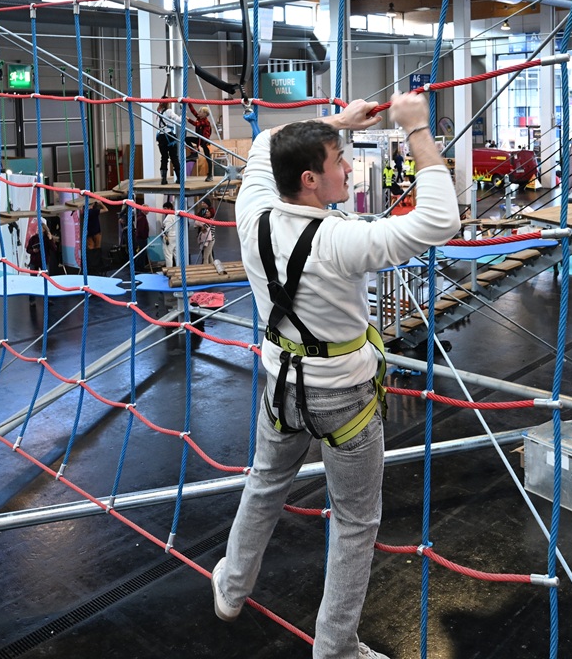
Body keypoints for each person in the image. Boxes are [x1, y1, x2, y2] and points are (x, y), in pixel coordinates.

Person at [212, 93, 459, 659]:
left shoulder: (253, 214)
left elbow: (265, 144)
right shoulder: (340, 240)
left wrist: (337, 123)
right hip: (344, 398)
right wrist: (416, 129)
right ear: (309, 180)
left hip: (279, 387)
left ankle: (230, 588)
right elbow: (440, 220)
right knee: (354, 521)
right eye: (337, 159)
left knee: (264, 483)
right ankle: (335, 648)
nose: (348, 166)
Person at [189, 104, 216, 182]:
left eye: (200, 112)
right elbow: (193, 111)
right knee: (186, 139)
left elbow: (196, 124)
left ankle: (210, 175)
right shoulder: (199, 118)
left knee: (208, 158)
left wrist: (187, 119)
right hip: (199, 139)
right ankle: (194, 153)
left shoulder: (205, 121)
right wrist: (189, 103)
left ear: (204, 114)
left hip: (205, 141)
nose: (198, 113)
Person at [156, 102, 181, 185]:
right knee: (174, 157)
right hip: (169, 136)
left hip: (161, 136)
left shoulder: (158, 112)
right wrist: (183, 114)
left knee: (164, 157)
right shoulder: (169, 111)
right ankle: (179, 178)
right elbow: (179, 120)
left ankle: (163, 179)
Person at [161, 201, 180, 268]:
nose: (164, 210)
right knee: (176, 255)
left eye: (165, 208)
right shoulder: (176, 215)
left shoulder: (169, 217)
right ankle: (179, 269)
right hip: (176, 237)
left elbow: (167, 229)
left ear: (170, 208)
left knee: (168, 255)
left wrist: (163, 234)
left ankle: (169, 270)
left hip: (169, 237)